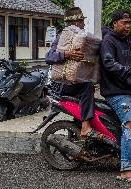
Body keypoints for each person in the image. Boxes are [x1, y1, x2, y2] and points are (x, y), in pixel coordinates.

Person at [100, 9, 131, 184]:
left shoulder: (128, 40)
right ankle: (126, 170)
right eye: (124, 22)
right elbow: (109, 63)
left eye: (129, 23)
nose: (128, 26)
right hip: (116, 92)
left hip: (129, 91)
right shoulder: (109, 41)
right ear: (114, 24)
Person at [45, 7, 103, 140]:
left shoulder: (81, 37)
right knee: (87, 87)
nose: (83, 24)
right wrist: (67, 54)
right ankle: (85, 126)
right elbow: (49, 57)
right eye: (82, 21)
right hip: (59, 84)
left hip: (72, 81)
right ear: (77, 22)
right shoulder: (62, 37)